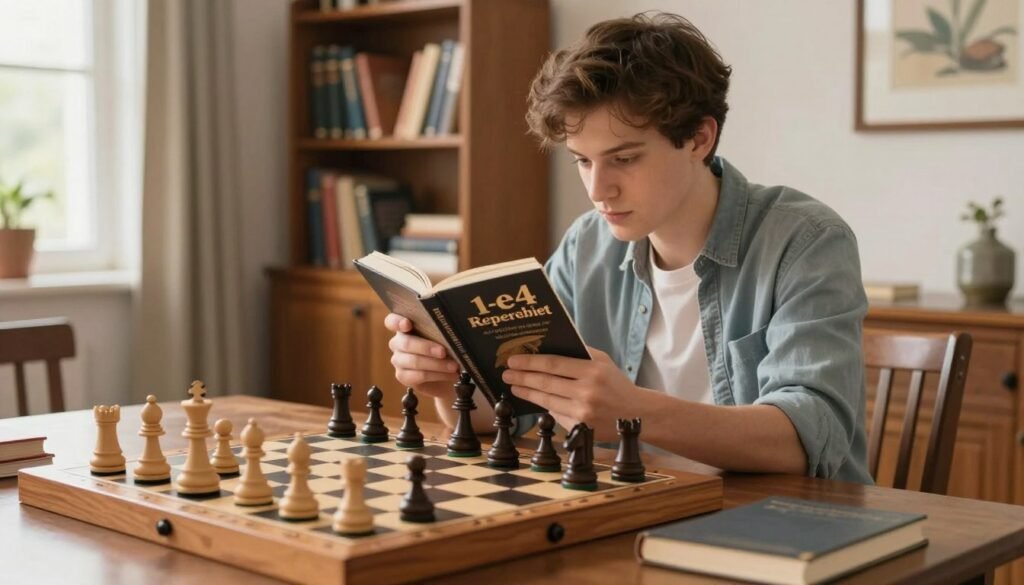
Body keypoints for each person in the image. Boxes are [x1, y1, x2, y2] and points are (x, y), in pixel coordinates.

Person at [384, 12, 871, 483]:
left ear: (700, 138)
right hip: (634, 507)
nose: (599, 190)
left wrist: (633, 410)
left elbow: (805, 441)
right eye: (582, 161)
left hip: (776, 522)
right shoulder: (587, 244)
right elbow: (517, 417)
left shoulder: (805, 241)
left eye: (625, 159)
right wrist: (451, 386)